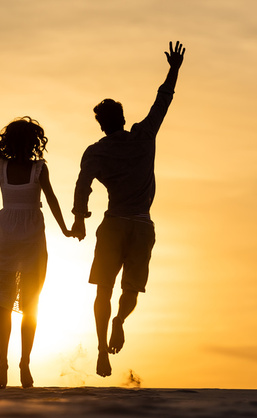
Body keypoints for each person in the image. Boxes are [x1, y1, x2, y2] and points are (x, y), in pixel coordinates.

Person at [71, 41, 186, 377]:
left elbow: (83, 185)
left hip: (113, 226)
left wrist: (79, 219)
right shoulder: (143, 138)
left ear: (101, 124)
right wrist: (174, 69)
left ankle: (101, 349)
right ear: (121, 119)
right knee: (131, 288)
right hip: (141, 225)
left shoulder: (95, 152)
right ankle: (120, 321)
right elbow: (161, 103)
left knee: (103, 289)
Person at [0, 78, 72, 388]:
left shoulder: (35, 168)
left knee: (14, 303)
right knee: (20, 303)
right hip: (20, 238)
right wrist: (66, 228)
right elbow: (54, 201)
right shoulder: (7, 165)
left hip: (20, 238)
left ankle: (15, 364)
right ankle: (14, 365)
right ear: (33, 142)